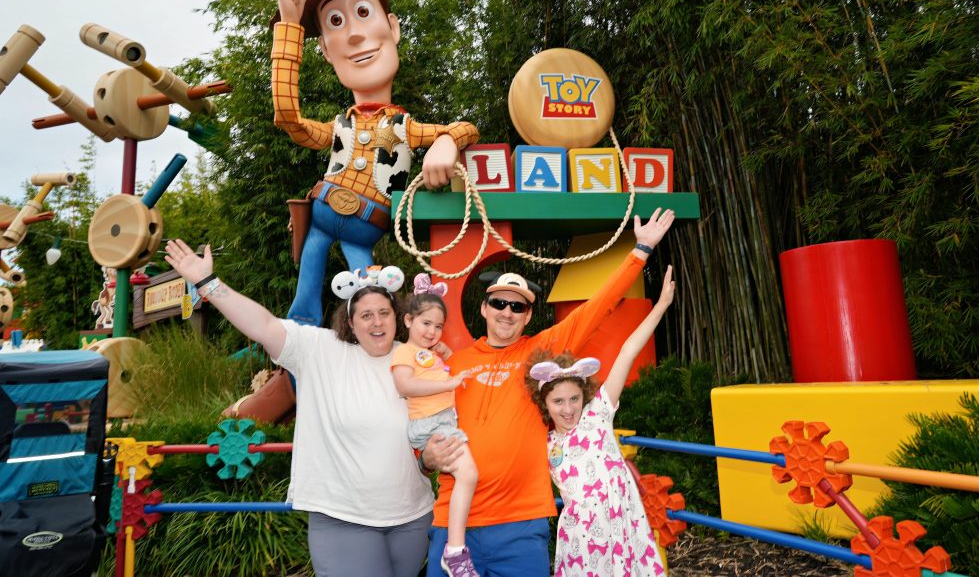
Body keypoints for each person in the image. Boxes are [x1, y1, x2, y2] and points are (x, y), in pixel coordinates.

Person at [421, 208, 676, 576]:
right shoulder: (452, 364)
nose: (507, 312)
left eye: (518, 306)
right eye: (499, 302)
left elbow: (597, 307)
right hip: (454, 522)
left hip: (521, 524)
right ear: (483, 308)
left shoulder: (538, 353)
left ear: (528, 316)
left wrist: (640, 252)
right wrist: (424, 458)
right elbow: (420, 419)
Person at [164, 239, 433, 577]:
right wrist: (208, 284)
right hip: (342, 517)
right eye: (366, 315)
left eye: (384, 313)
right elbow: (262, 325)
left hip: (413, 517)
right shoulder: (319, 350)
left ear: (398, 317)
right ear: (350, 322)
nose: (376, 322)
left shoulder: (418, 358)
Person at [273, 0, 481, 326]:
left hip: (365, 225)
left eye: (363, 11)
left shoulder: (403, 126)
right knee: (304, 301)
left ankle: (378, 356)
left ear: (393, 26)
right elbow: (289, 118)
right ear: (324, 49)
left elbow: (467, 127)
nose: (352, 35)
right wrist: (287, 27)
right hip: (321, 214)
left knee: (374, 304)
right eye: (335, 21)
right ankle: (294, 366)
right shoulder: (339, 126)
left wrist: (447, 141)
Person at [525, 267, 675, 576]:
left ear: (585, 396)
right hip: (582, 541)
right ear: (545, 403)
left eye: (574, 399)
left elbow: (628, 351)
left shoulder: (598, 413)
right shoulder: (545, 442)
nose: (568, 409)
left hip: (621, 527)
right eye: (558, 401)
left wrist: (660, 305)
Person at [390, 275, 479, 577]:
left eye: (438, 326)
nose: (432, 331)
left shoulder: (428, 354)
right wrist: (451, 382)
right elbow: (406, 385)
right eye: (425, 323)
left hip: (442, 422)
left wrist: (449, 358)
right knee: (468, 474)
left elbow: (441, 374)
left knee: (466, 476)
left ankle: (455, 548)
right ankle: (454, 552)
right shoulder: (404, 352)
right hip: (430, 426)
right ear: (408, 320)